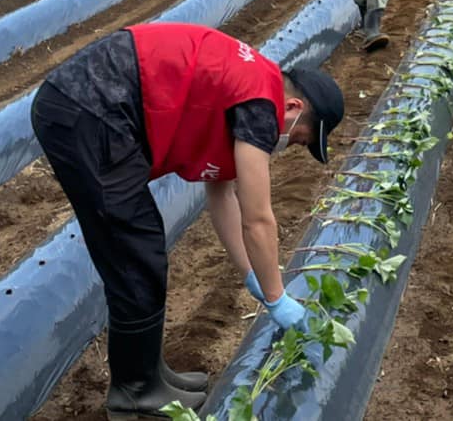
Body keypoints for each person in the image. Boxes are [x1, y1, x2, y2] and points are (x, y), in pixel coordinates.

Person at [30, 23, 346, 419]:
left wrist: (251, 275)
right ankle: (134, 390)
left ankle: (148, 373)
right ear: (294, 109)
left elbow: (222, 193)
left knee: (140, 250)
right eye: (299, 139)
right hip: (90, 109)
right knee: (135, 252)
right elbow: (258, 219)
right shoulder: (262, 106)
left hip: (94, 108)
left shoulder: (252, 88)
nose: (288, 146)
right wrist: (277, 297)